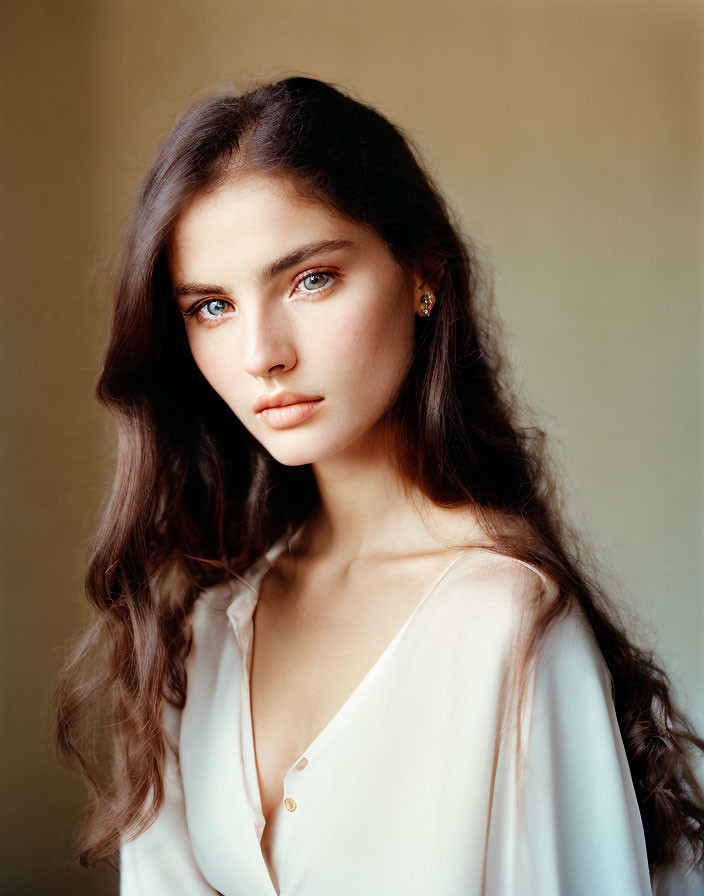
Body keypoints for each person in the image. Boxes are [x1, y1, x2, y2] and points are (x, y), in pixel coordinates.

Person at [55, 75, 704, 895]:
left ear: (423, 272)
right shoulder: (203, 631)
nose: (262, 354)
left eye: (310, 279)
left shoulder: (506, 620)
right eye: (212, 306)